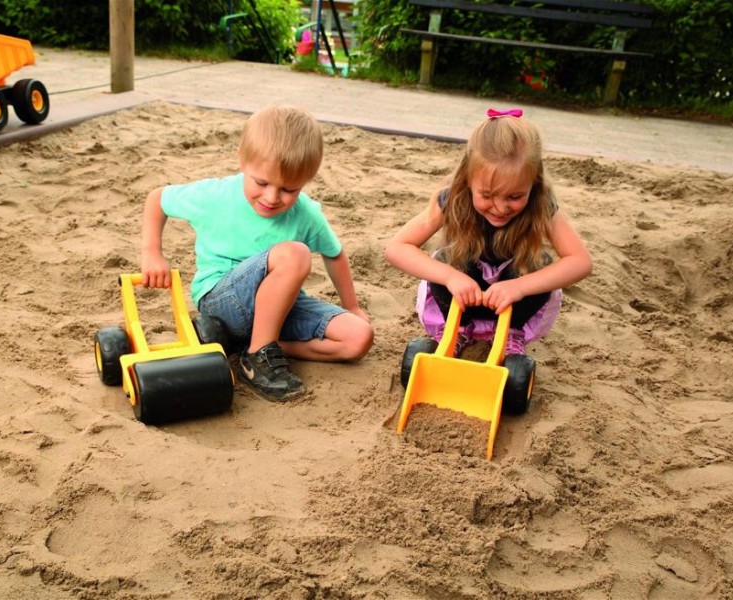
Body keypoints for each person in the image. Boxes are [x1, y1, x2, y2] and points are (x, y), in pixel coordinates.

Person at [140, 105, 374, 402]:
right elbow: (157, 199)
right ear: (242, 160)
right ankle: (258, 358)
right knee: (295, 254)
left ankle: (263, 343)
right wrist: (152, 254)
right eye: (261, 183)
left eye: (289, 189)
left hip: (279, 309)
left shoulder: (306, 214)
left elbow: (335, 254)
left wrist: (352, 306)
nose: (272, 198)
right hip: (221, 300)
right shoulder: (216, 195)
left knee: (358, 338)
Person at [384, 108, 592, 356]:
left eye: (515, 196)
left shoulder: (541, 204)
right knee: (442, 261)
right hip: (462, 297)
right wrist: (451, 277)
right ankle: (457, 330)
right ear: (468, 179)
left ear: (533, 184)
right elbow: (397, 248)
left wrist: (521, 287)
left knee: (541, 265)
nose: (501, 207)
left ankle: (511, 334)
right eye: (487, 195)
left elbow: (580, 262)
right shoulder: (454, 199)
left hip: (513, 302)